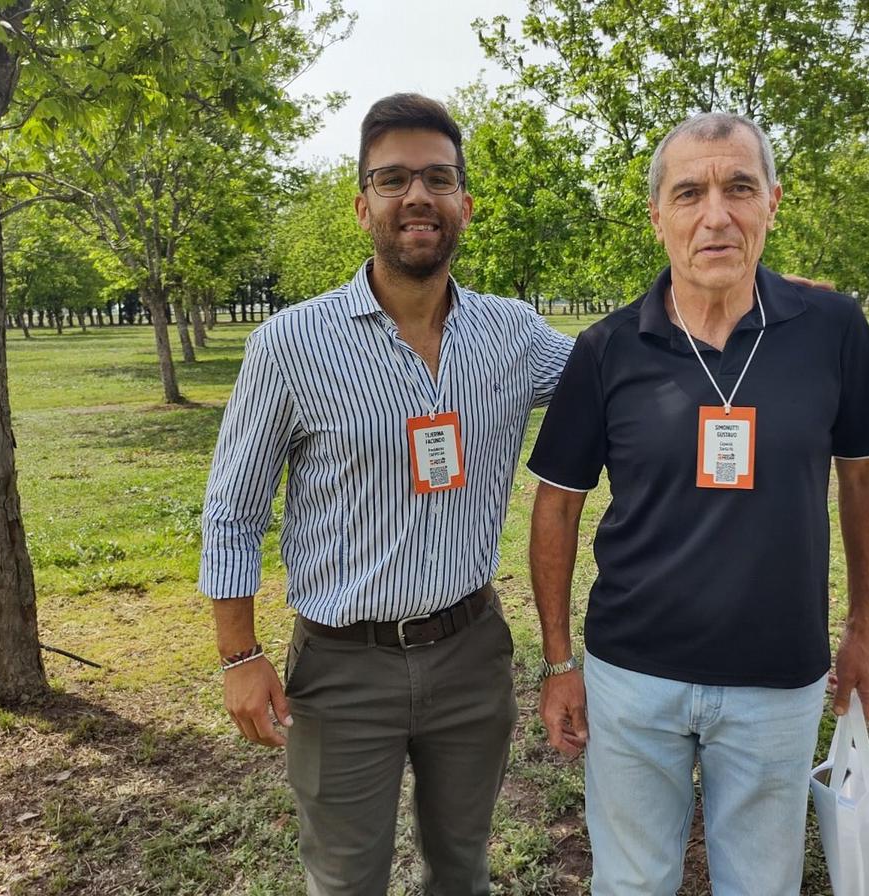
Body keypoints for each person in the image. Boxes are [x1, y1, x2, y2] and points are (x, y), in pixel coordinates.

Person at [198, 93, 573, 896]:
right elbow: (233, 508)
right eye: (393, 179)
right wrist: (240, 654)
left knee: (463, 869)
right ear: (362, 202)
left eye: (437, 178)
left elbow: (625, 367)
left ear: (465, 204)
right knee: (345, 880)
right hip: (341, 670)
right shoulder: (291, 344)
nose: (417, 197)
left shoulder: (514, 335)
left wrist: (741, 287)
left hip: (472, 655)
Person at [526, 111, 869, 896]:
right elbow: (557, 504)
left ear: (772, 202)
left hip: (778, 677)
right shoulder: (606, 349)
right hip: (631, 679)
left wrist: (861, 631)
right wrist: (560, 661)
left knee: (760, 886)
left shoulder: (832, 329)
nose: (716, 214)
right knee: (630, 883)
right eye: (690, 192)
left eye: (739, 187)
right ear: (657, 214)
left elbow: (867, 477)